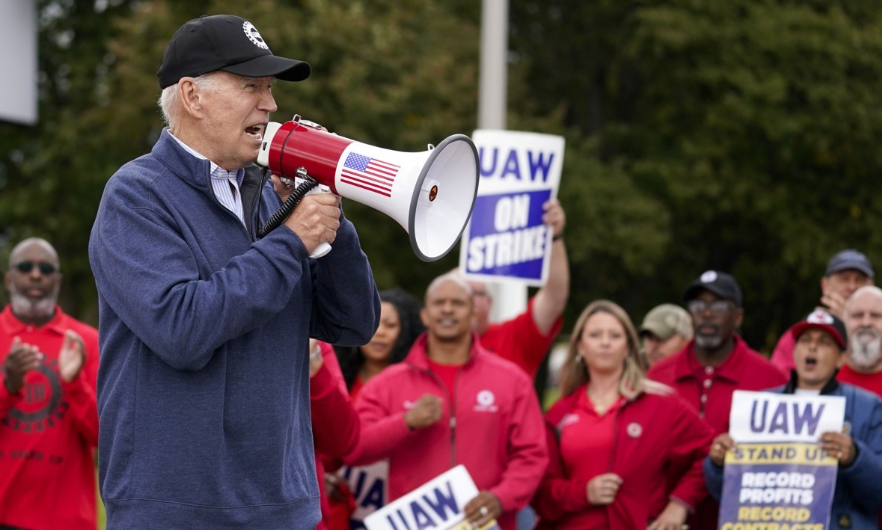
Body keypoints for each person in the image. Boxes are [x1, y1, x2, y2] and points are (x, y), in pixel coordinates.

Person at [88, 14, 380, 530]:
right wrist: (292, 241)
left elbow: (355, 323)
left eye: (268, 88)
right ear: (192, 96)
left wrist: (326, 210)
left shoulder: (271, 194)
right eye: (251, 86)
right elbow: (181, 327)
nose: (269, 104)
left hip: (278, 506)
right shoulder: (136, 195)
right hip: (174, 510)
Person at [345, 273, 548, 530]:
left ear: (475, 313)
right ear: (425, 315)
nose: (448, 309)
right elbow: (354, 448)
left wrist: (501, 498)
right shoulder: (388, 383)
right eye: (439, 303)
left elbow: (532, 455)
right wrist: (406, 422)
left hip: (489, 522)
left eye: (458, 303)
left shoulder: (511, 380)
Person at [531, 300, 714, 530]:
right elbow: (541, 493)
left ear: (628, 346)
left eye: (615, 336)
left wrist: (679, 505)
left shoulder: (661, 404)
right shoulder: (559, 414)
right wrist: (583, 492)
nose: (605, 342)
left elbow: (709, 452)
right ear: (580, 346)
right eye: (595, 335)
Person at [705, 309, 882, 530]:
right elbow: (727, 493)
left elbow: (877, 493)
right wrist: (718, 464)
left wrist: (855, 458)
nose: (812, 347)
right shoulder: (761, 404)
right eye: (805, 340)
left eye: (824, 342)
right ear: (794, 350)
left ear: (841, 358)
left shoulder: (868, 407)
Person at [647, 270, 787, 530]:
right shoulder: (658, 376)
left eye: (719, 305)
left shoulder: (770, 378)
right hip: (664, 520)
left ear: (738, 317)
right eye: (699, 305)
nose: (707, 313)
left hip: (740, 519)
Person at [0, 237, 99, 530]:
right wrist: (8, 386)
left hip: (66, 519)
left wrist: (74, 383)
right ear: (8, 279)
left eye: (45, 268)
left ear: (57, 280)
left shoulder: (87, 342)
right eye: (25, 267)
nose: (35, 274)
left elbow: (104, 435)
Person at [324, 288, 425, 529]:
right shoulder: (333, 380)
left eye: (390, 325)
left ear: (406, 331)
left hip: (402, 507)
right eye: (373, 322)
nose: (379, 333)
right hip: (342, 509)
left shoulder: (418, 385)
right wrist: (321, 478)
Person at [466, 198, 569, 378]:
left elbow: (554, 298)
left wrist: (554, 237)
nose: (465, 301)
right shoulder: (430, 345)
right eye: (459, 294)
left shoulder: (514, 336)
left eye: (474, 293)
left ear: (489, 302)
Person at [771, 249, 875, 374]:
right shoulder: (801, 333)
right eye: (844, 279)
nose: (852, 287)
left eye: (860, 280)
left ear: (872, 286)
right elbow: (782, 381)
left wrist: (849, 325)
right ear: (825, 286)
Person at [839, 285, 882, 396]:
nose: (866, 323)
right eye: (858, 315)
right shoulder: (823, 378)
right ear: (845, 322)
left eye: (875, 315)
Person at [639, 303, 693, 367]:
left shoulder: (703, 375)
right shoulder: (629, 373)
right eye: (649, 338)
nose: (654, 346)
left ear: (687, 341)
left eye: (662, 338)